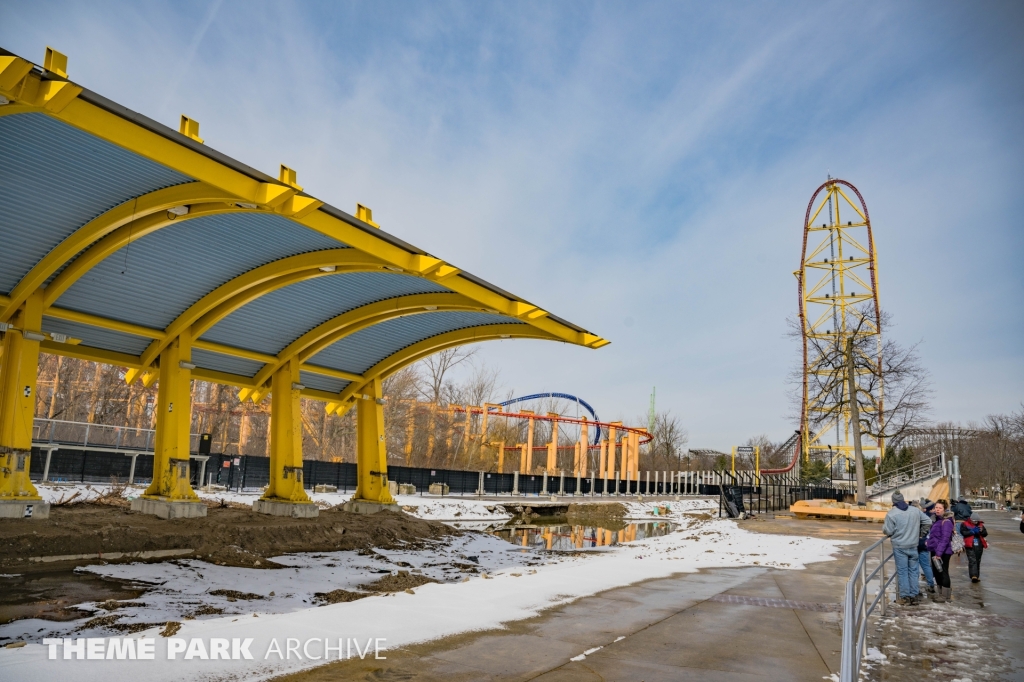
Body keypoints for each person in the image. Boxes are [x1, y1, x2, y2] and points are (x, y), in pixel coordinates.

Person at [883, 491, 932, 605]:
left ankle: (905, 597)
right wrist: (921, 533)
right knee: (913, 571)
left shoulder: (891, 514)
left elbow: (888, 530)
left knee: (903, 571)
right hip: (913, 545)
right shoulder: (915, 510)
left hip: (900, 546)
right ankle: (914, 595)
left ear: (893, 501)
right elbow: (928, 521)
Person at [926, 501, 955, 602]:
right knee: (936, 572)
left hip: (944, 551)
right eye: (936, 507)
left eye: (940, 508)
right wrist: (928, 542)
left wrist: (939, 553)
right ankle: (940, 593)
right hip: (934, 550)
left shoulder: (946, 521)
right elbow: (934, 536)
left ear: (945, 509)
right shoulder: (935, 520)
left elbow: (945, 539)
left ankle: (945, 596)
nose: (937, 509)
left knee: (943, 572)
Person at [960, 512, 989, 583]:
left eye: (977, 521)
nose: (976, 522)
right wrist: (972, 531)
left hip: (979, 544)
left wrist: (982, 531)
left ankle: (976, 576)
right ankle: (973, 576)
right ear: (971, 519)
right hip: (969, 544)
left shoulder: (981, 525)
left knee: (977, 560)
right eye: (974, 521)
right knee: (972, 560)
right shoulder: (965, 524)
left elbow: (985, 534)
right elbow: (963, 532)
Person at [915, 501, 936, 595]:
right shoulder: (929, 517)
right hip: (924, 543)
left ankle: (915, 586)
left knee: (914, 566)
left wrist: (920, 534)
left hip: (916, 542)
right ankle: (931, 584)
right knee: (926, 565)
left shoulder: (918, 517)